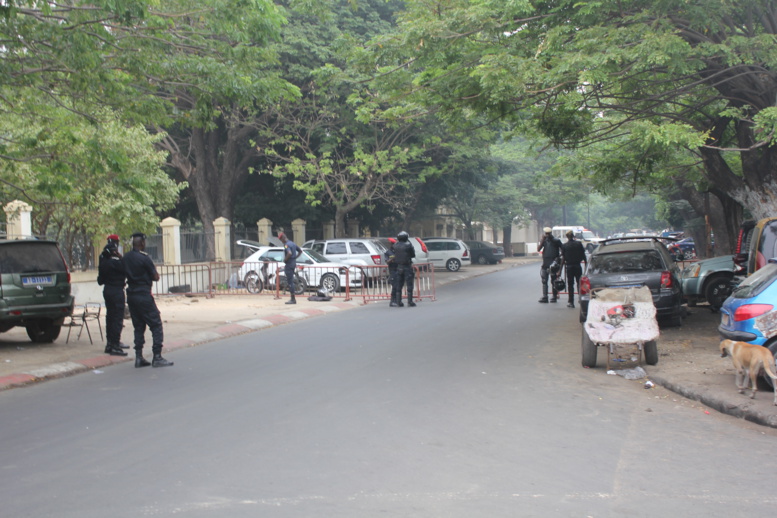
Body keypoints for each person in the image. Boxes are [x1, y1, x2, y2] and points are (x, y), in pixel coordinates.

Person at [123, 233, 173, 368]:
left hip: (131, 295)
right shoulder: (145, 258)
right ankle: (157, 356)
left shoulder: (126, 257)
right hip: (144, 294)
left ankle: (138, 357)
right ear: (143, 244)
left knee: (138, 326)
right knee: (156, 324)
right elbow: (155, 277)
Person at [97, 234, 128, 356]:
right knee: (117, 319)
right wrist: (120, 258)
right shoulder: (116, 263)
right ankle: (115, 345)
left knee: (110, 317)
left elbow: (100, 280)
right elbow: (126, 268)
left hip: (107, 290)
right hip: (116, 291)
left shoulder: (103, 262)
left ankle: (110, 344)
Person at [560, 230, 587, 309]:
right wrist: (586, 265)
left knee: (570, 285)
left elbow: (563, 259)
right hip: (578, 266)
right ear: (573, 236)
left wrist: (560, 270)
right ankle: (581, 299)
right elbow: (583, 255)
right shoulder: (578, 244)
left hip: (569, 267)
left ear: (567, 237)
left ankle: (571, 302)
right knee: (579, 284)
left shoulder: (564, 246)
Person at [537, 226, 562, 303]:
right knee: (544, 280)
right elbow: (538, 249)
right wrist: (543, 240)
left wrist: (558, 258)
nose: (547, 235)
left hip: (553, 263)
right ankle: (545, 296)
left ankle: (554, 296)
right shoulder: (544, 241)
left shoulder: (556, 241)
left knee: (553, 280)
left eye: (548, 234)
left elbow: (562, 250)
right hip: (545, 263)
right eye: (546, 234)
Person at [393, 231, 416, 307]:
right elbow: (413, 255)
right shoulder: (408, 245)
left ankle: (398, 301)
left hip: (398, 266)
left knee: (399, 284)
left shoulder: (395, 245)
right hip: (407, 266)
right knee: (409, 284)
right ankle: (410, 301)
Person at [279, 232, 303, 304]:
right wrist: (295, 258)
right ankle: (293, 298)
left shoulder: (286, 245)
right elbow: (300, 251)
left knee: (290, 282)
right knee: (291, 281)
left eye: (281, 240)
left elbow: (289, 253)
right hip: (293, 263)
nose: (281, 241)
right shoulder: (293, 243)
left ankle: (293, 299)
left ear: (283, 238)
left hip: (289, 264)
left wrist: (285, 259)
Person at [384, 237, 399, 307]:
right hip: (393, 271)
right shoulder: (388, 252)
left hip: (399, 270)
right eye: (392, 244)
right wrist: (392, 258)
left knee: (399, 286)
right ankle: (392, 301)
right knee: (394, 286)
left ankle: (398, 300)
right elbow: (387, 261)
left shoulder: (399, 251)